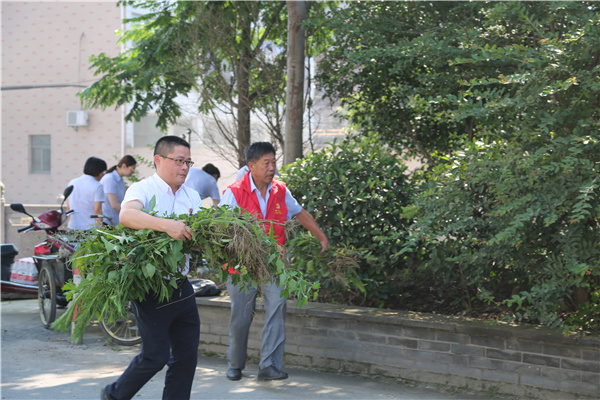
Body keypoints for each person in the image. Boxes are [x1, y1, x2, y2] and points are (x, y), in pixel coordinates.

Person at [101, 136, 201, 400]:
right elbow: (127, 216)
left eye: (188, 162)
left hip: (181, 285)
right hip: (151, 287)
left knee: (187, 355)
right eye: (179, 161)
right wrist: (167, 225)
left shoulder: (192, 196)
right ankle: (115, 394)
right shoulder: (142, 189)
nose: (184, 167)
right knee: (156, 355)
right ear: (158, 160)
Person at [219, 141, 329, 382]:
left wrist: (321, 236)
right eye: (265, 163)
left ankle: (268, 366)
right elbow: (221, 228)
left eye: (273, 162)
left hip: (274, 262)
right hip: (241, 265)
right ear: (251, 166)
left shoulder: (280, 190)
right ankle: (235, 364)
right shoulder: (234, 192)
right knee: (241, 315)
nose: (271, 167)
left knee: (277, 308)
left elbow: (299, 213)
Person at [66, 157, 107, 230]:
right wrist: (101, 230)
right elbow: (97, 211)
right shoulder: (97, 186)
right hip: (89, 229)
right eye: (103, 172)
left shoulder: (72, 182)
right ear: (100, 172)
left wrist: (68, 226)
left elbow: (69, 208)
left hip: (73, 227)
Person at [100, 155, 137, 225]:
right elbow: (114, 205)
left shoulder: (120, 180)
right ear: (124, 166)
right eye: (132, 169)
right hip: (107, 221)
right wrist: (132, 212)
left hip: (115, 220)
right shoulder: (110, 179)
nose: (133, 172)